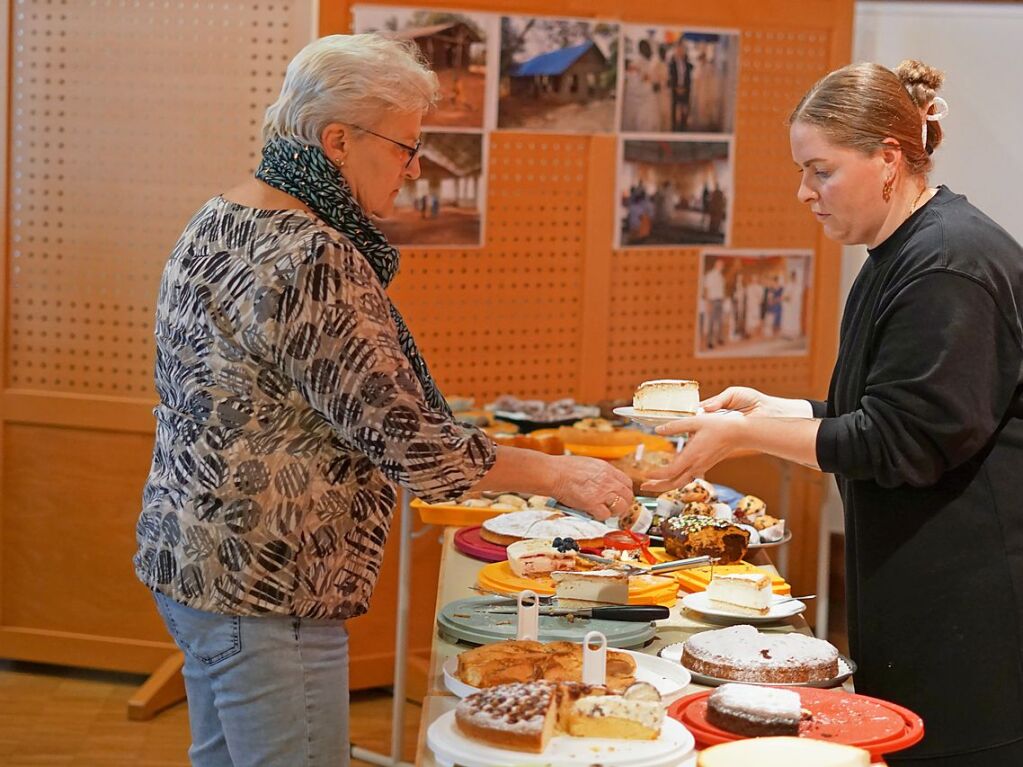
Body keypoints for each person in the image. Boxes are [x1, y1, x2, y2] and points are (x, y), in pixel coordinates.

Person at [134, 34, 634, 767]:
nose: (413, 167)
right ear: (337, 140)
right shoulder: (313, 255)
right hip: (270, 581)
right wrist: (562, 474)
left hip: (191, 557)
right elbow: (413, 443)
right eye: (405, 146)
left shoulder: (221, 216)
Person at [645, 59, 1023, 765]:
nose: (803, 192)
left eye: (820, 171)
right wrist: (777, 407)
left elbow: (901, 440)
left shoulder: (947, 263)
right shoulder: (899, 249)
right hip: (922, 594)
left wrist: (743, 433)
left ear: (886, 158)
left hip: (974, 616)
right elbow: (880, 408)